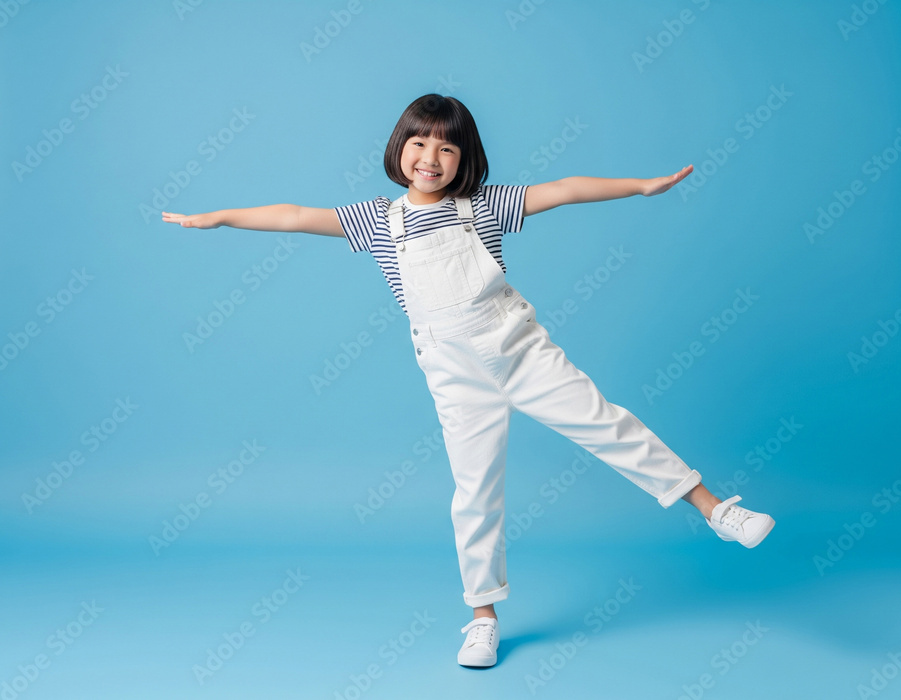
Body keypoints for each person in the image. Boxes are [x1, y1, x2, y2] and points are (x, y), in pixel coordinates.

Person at [163, 93, 775, 669]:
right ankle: (482, 615)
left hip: (520, 351)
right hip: (455, 375)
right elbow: (295, 215)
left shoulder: (482, 207)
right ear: (398, 147)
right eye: (419, 144)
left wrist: (640, 186)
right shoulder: (378, 221)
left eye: (446, 149)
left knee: (607, 424)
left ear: (465, 160)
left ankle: (717, 510)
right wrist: (220, 217)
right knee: (476, 490)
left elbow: (561, 190)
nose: (430, 158)